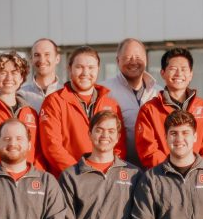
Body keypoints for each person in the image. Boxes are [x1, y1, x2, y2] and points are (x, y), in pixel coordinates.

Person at [38, 46, 125, 174]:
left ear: (98, 69)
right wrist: (79, 173)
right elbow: (52, 146)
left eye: (91, 68)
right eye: (79, 67)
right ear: (69, 69)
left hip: (105, 179)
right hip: (68, 180)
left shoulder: (111, 103)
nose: (85, 73)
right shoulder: (54, 102)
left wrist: (109, 173)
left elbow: (119, 145)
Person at [135, 47, 203, 168]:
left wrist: (194, 172)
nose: (179, 74)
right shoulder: (149, 110)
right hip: (162, 178)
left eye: (184, 69)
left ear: (191, 74)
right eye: (173, 69)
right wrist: (172, 170)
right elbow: (148, 150)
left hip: (197, 178)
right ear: (163, 73)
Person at [0, 51, 40, 170]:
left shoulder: (30, 112)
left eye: (14, 73)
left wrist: (35, 175)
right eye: (3, 72)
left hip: (29, 179)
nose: (9, 78)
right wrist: (11, 174)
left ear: (21, 78)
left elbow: (38, 151)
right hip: (0, 178)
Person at [100, 38, 159, 165]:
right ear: (117, 60)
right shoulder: (104, 91)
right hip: (117, 168)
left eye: (138, 57)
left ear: (146, 59)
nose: (133, 62)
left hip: (155, 167)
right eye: (127, 57)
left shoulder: (159, 93)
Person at [19, 38, 62, 112]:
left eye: (47, 54)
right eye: (37, 55)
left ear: (57, 58)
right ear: (31, 59)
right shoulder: (20, 95)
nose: (42, 60)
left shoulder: (66, 93)